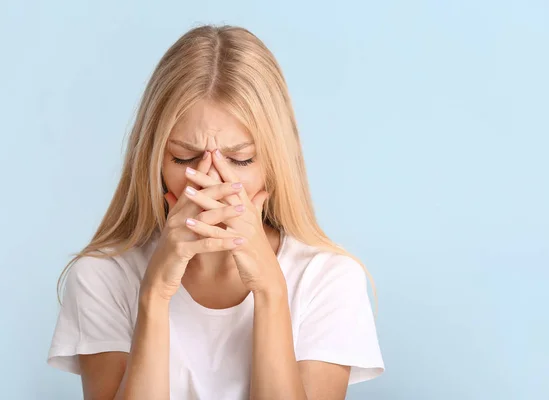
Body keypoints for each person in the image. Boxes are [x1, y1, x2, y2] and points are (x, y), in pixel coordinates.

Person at [47, 24, 384, 400]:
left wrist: (271, 292)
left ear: (274, 163)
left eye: (240, 159)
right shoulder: (102, 277)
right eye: (185, 158)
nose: (208, 183)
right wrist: (154, 295)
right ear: (154, 160)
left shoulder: (329, 280)